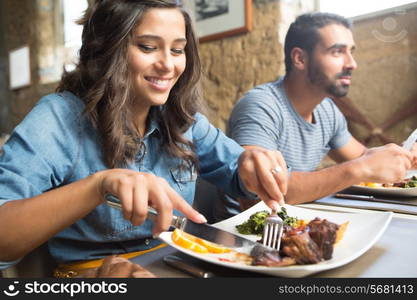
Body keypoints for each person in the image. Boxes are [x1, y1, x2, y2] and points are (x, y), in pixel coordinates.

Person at [0, 0, 288, 277]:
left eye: (177, 50)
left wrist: (254, 168)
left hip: (185, 264)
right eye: (148, 47)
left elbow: (241, 175)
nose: (167, 65)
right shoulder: (58, 117)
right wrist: (99, 186)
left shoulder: (181, 119)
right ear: (106, 48)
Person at [216, 12, 416, 220]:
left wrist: (405, 157)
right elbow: (263, 190)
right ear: (300, 58)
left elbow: (366, 159)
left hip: (297, 221)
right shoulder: (260, 106)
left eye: (351, 52)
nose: (352, 64)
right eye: (337, 52)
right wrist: (360, 168)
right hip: (241, 234)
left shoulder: (327, 110)